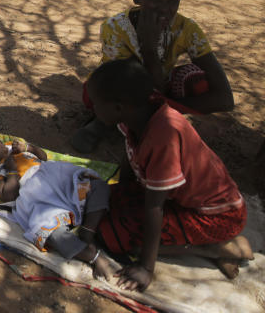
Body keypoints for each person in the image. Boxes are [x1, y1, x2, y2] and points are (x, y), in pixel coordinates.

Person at [88, 58, 252, 289]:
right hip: (177, 200)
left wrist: (146, 268)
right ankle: (207, 246)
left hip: (218, 217)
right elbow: (129, 152)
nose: (93, 109)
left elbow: (154, 207)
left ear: (118, 108)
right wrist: (123, 193)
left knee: (112, 237)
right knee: (100, 200)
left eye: (96, 104)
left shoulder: (164, 136)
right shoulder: (137, 113)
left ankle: (215, 248)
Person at [71, 0, 234, 153]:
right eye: (155, 0)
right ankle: (104, 123)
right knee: (112, 88)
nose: (164, 9)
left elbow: (225, 99)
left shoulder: (186, 29)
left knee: (194, 78)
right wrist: (148, 48)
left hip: (159, 91)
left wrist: (168, 109)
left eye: (173, 1)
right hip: (123, 90)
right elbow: (124, 82)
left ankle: (155, 122)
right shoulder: (115, 27)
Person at [0, 132, 112, 279]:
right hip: (40, 197)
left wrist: (29, 148)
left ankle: (88, 230)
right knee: (49, 232)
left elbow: (43, 157)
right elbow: (8, 195)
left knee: (98, 186)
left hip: (57, 179)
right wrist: (12, 172)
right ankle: (92, 256)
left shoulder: (12, 148)